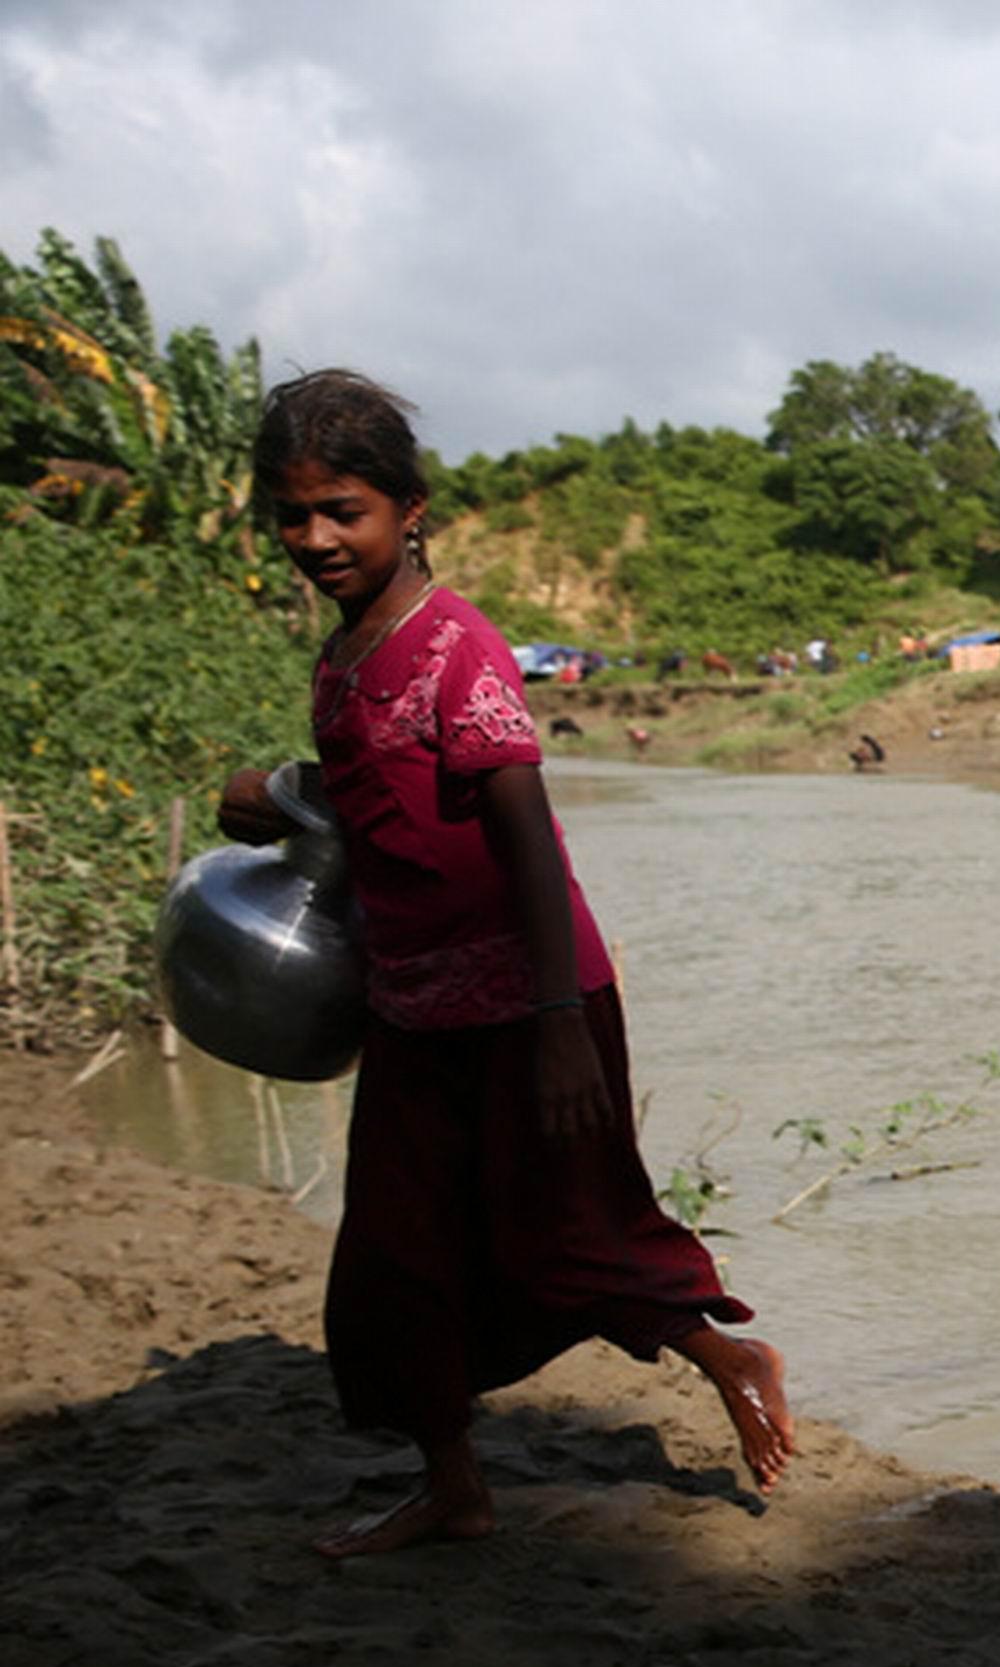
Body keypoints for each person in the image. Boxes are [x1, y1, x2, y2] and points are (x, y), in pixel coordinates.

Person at [226, 369, 790, 1559]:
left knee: (571, 1230)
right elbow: (378, 795)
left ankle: (728, 1354)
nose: (317, 538)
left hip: (529, 993)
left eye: (344, 511)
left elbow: (525, 833)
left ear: (410, 509)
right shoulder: (348, 652)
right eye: (293, 514)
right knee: (393, 1259)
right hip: (414, 1001)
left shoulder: (454, 648)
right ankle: (453, 1487)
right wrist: (278, 798)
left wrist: (552, 1022)